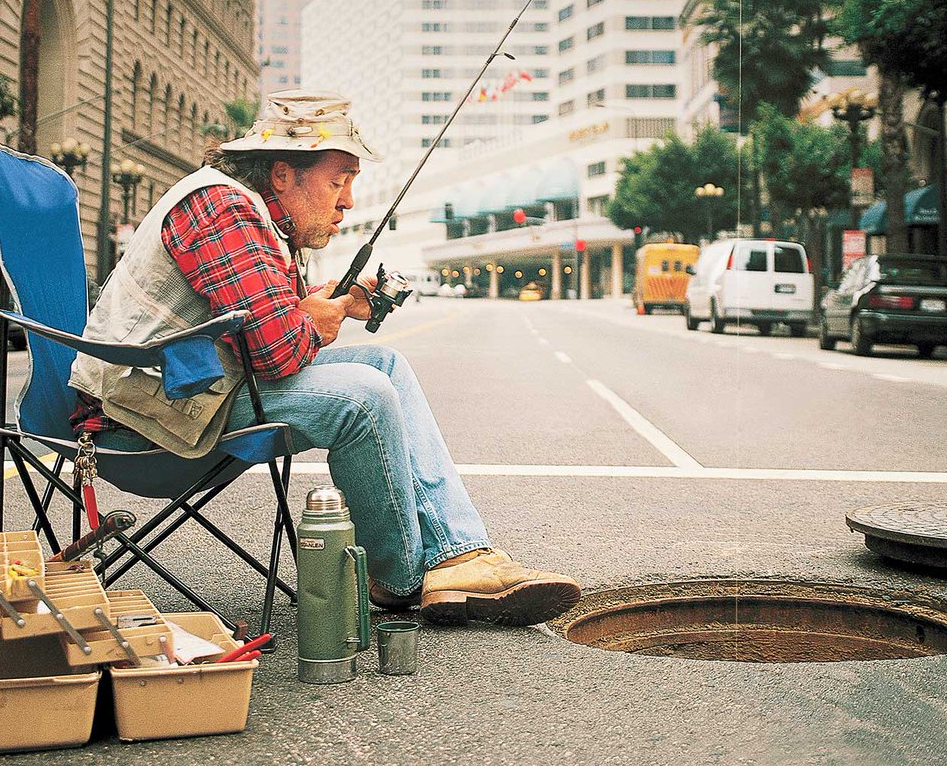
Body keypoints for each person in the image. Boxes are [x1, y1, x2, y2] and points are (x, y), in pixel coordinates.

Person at [68, 90, 581, 626]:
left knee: (385, 367)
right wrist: (316, 318)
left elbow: (261, 320)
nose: (348, 202)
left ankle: (459, 554)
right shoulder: (223, 207)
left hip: (191, 388)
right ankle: (400, 578)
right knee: (364, 399)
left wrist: (330, 299)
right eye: (339, 181)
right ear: (284, 174)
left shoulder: (255, 216)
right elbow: (274, 350)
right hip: (139, 417)